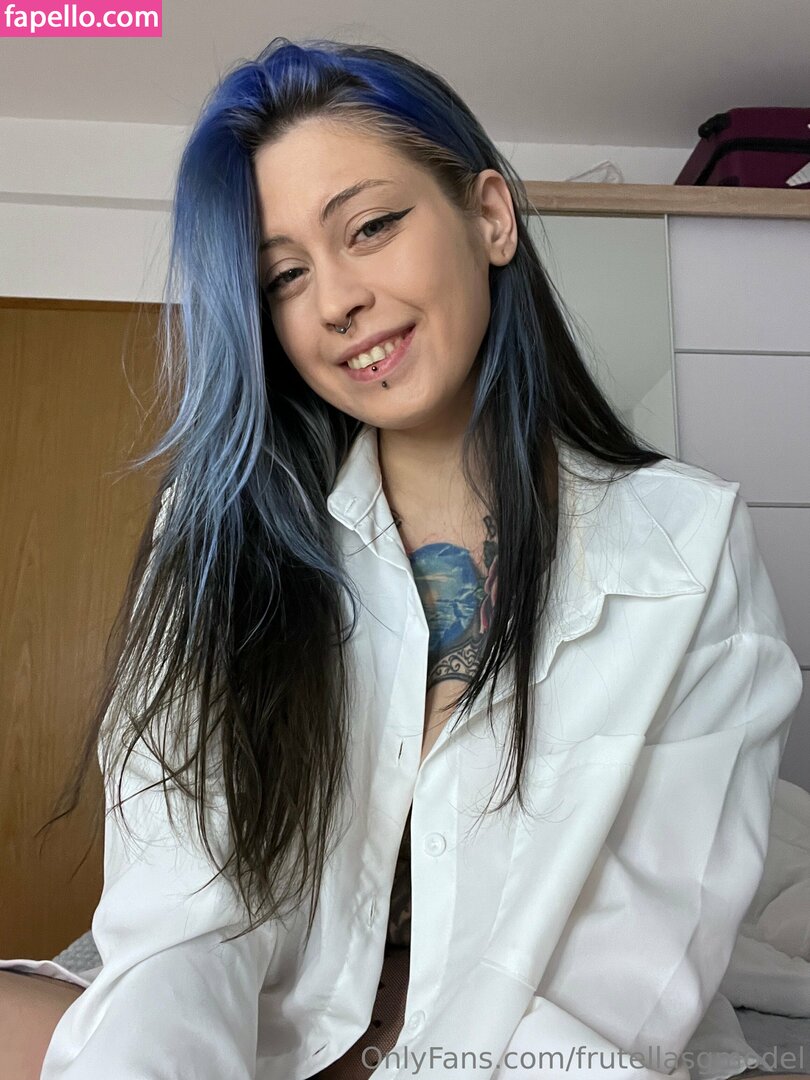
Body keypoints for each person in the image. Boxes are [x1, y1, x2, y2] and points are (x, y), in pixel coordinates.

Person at [0, 35, 806, 1080]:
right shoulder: (223, 530)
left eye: (371, 227)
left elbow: (622, 977)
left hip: (521, 1040)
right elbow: (186, 923)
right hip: (277, 1014)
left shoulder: (685, 545)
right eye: (284, 276)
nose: (335, 300)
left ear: (490, 216)